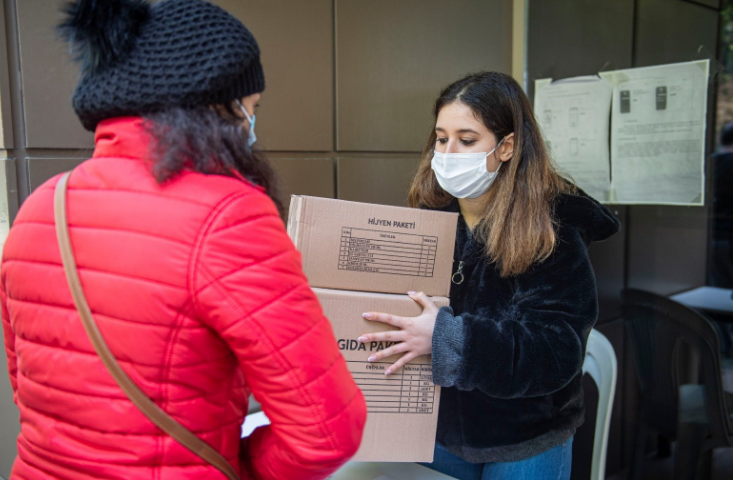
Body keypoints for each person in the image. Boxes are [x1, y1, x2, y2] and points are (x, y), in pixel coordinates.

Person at [0, 1, 366, 479]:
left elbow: (28, 380)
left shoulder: (38, 208)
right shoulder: (229, 214)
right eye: (249, 110)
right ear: (216, 108)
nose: (251, 128)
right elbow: (328, 433)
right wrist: (239, 466)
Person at [357, 72, 620, 480]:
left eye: (466, 139)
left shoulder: (553, 228)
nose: (448, 152)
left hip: (523, 439)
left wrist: (450, 338)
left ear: (506, 146)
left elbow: (557, 351)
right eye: (442, 139)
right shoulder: (431, 215)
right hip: (437, 434)